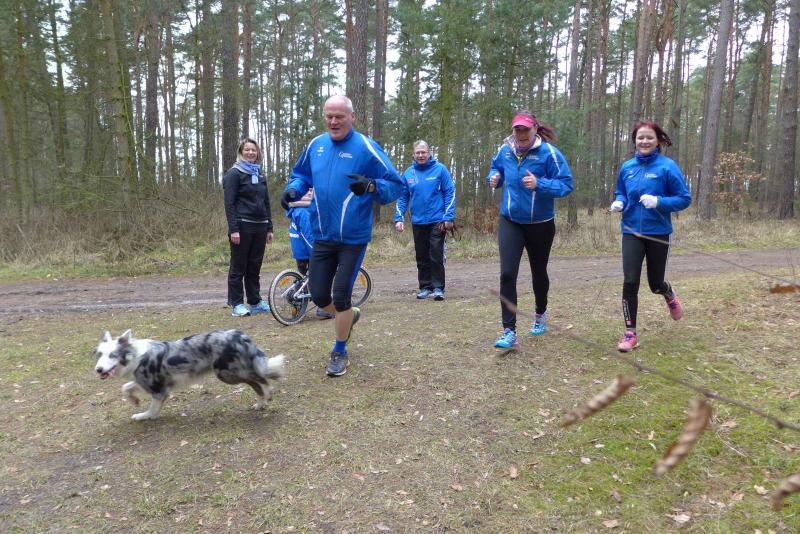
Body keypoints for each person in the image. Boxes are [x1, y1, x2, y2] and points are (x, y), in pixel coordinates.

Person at [281, 95, 403, 376]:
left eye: (339, 116)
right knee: (319, 295)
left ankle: (339, 351)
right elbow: (300, 175)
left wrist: (371, 186)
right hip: (322, 234)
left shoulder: (366, 147)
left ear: (352, 117)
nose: (333, 121)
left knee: (341, 295)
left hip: (353, 237)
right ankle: (349, 316)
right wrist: (293, 190)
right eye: (329, 116)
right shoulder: (316, 145)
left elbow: (395, 185)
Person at [487, 111, 573, 350]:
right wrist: (494, 178)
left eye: (526, 129)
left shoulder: (549, 153)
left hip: (541, 224)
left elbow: (566, 185)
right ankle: (509, 331)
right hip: (511, 221)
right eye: (518, 129)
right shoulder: (505, 150)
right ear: (513, 131)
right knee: (507, 274)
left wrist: (539, 184)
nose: (522, 134)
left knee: (538, 272)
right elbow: (495, 169)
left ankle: (540, 312)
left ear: (535, 129)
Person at [610, 120, 691, 352]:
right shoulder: (627, 167)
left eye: (649, 137)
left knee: (655, 284)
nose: (644, 141)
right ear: (634, 141)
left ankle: (668, 293)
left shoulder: (667, 167)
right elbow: (621, 191)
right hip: (631, 231)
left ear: (658, 141)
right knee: (630, 281)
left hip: (658, 232)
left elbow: (684, 198)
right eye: (640, 137)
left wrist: (659, 202)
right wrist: (619, 201)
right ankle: (630, 334)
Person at [394, 140, 456, 301]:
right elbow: (402, 197)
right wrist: (399, 218)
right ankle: (425, 287)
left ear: (429, 153)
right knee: (421, 256)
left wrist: (448, 217)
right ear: (413, 154)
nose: (421, 155)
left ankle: (438, 288)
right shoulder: (408, 173)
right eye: (418, 152)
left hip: (438, 220)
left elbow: (450, 192)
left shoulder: (440, 169)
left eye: (423, 152)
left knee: (436, 253)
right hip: (418, 221)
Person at [223, 137, 274, 317]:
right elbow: (229, 204)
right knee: (238, 266)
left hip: (260, 227)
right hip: (242, 226)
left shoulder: (260, 174)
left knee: (254, 266)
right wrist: (233, 229)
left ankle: (255, 301)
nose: (251, 152)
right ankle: (237, 303)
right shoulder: (234, 174)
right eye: (247, 149)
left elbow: (266, 202)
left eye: (253, 150)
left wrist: (269, 227)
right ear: (241, 152)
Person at [285, 189, 333, 319]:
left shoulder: (296, 209)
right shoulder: (303, 212)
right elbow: (309, 237)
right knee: (324, 275)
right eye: (308, 191)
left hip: (301, 253)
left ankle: (298, 306)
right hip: (307, 253)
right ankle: (323, 308)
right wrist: (319, 253)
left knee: (306, 280)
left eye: (312, 190)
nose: (311, 193)